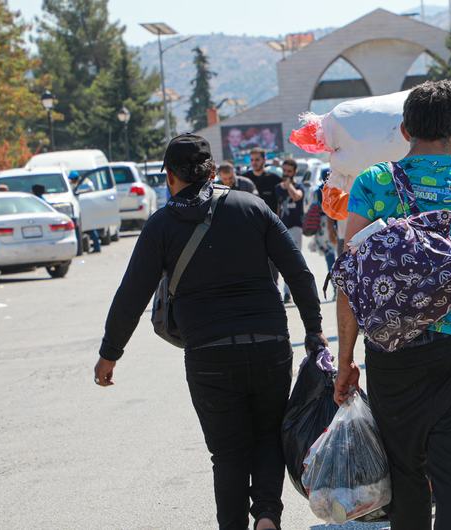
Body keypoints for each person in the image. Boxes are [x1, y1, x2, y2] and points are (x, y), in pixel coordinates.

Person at [93, 133, 325, 530]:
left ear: (169, 177)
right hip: (269, 344)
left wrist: (110, 352)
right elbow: (299, 273)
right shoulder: (252, 207)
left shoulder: (161, 225)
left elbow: (131, 293)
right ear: (213, 171)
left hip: (209, 354)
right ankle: (268, 514)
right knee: (268, 434)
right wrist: (314, 332)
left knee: (228, 453)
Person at [333, 80, 451, 530]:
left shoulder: (372, 183)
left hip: (391, 353)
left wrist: (345, 360)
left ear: (404, 130)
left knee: (406, 476)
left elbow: (349, 279)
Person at [275, 159, 305, 303]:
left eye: (289, 171)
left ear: (294, 172)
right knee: (282, 261)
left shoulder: (298, 186)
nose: (286, 174)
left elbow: (297, 196)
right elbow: (278, 208)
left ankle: (291, 292)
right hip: (282, 227)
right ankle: (283, 291)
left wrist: (289, 187)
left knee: (294, 261)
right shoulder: (278, 188)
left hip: (295, 228)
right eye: (284, 171)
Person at [70, 172, 102, 253]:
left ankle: (97, 247)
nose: (71, 181)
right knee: (89, 228)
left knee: (91, 228)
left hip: (87, 209)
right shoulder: (76, 184)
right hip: (82, 209)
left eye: (72, 179)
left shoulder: (86, 183)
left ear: (75, 178)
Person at [243, 147, 281, 212]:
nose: (254, 162)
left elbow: (280, 203)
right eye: (252, 160)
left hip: (269, 220)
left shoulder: (274, 179)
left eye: (257, 160)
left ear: (264, 160)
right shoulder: (244, 178)